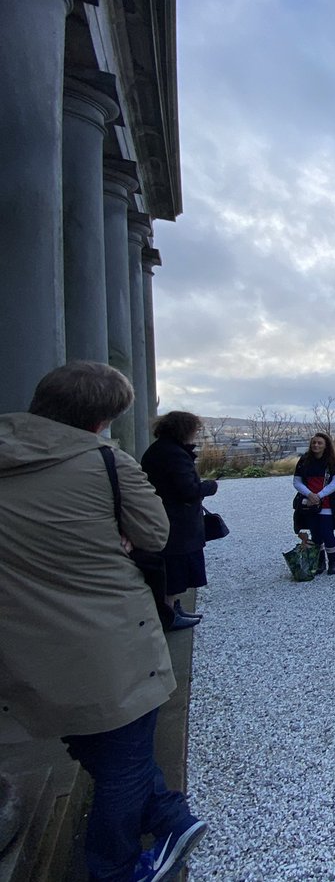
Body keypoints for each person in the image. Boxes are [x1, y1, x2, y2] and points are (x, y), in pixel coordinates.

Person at [0, 361, 207, 881]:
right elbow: (154, 533)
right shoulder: (104, 463)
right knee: (123, 756)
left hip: (21, 635)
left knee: (97, 741)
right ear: (101, 419)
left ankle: (167, 814)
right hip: (106, 631)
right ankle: (116, 868)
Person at [140, 410, 219, 631]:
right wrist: (210, 486)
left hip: (169, 519)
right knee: (175, 569)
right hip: (176, 523)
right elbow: (188, 490)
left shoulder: (161, 450)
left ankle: (174, 608)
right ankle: (169, 613)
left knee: (175, 567)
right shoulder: (174, 454)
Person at [291, 432, 335, 575]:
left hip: (328, 501)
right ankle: (320, 562)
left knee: (327, 532)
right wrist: (309, 494)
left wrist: (319, 495)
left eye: (319, 443)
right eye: (314, 442)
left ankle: (333, 562)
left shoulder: (333, 461)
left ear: (326, 445)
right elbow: (297, 481)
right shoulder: (304, 460)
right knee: (315, 534)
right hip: (309, 501)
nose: (316, 445)